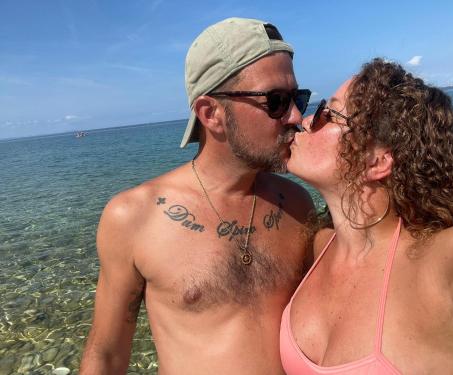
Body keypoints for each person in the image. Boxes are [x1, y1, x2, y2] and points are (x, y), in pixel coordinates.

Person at [80, 17, 315, 375]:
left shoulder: (298, 204)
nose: (297, 116)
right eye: (277, 101)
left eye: (299, 98)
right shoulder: (133, 217)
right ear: (211, 114)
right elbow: (107, 355)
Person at [280, 58, 453, 374]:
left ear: (376, 161)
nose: (307, 118)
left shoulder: (445, 263)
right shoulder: (317, 246)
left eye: (329, 114)